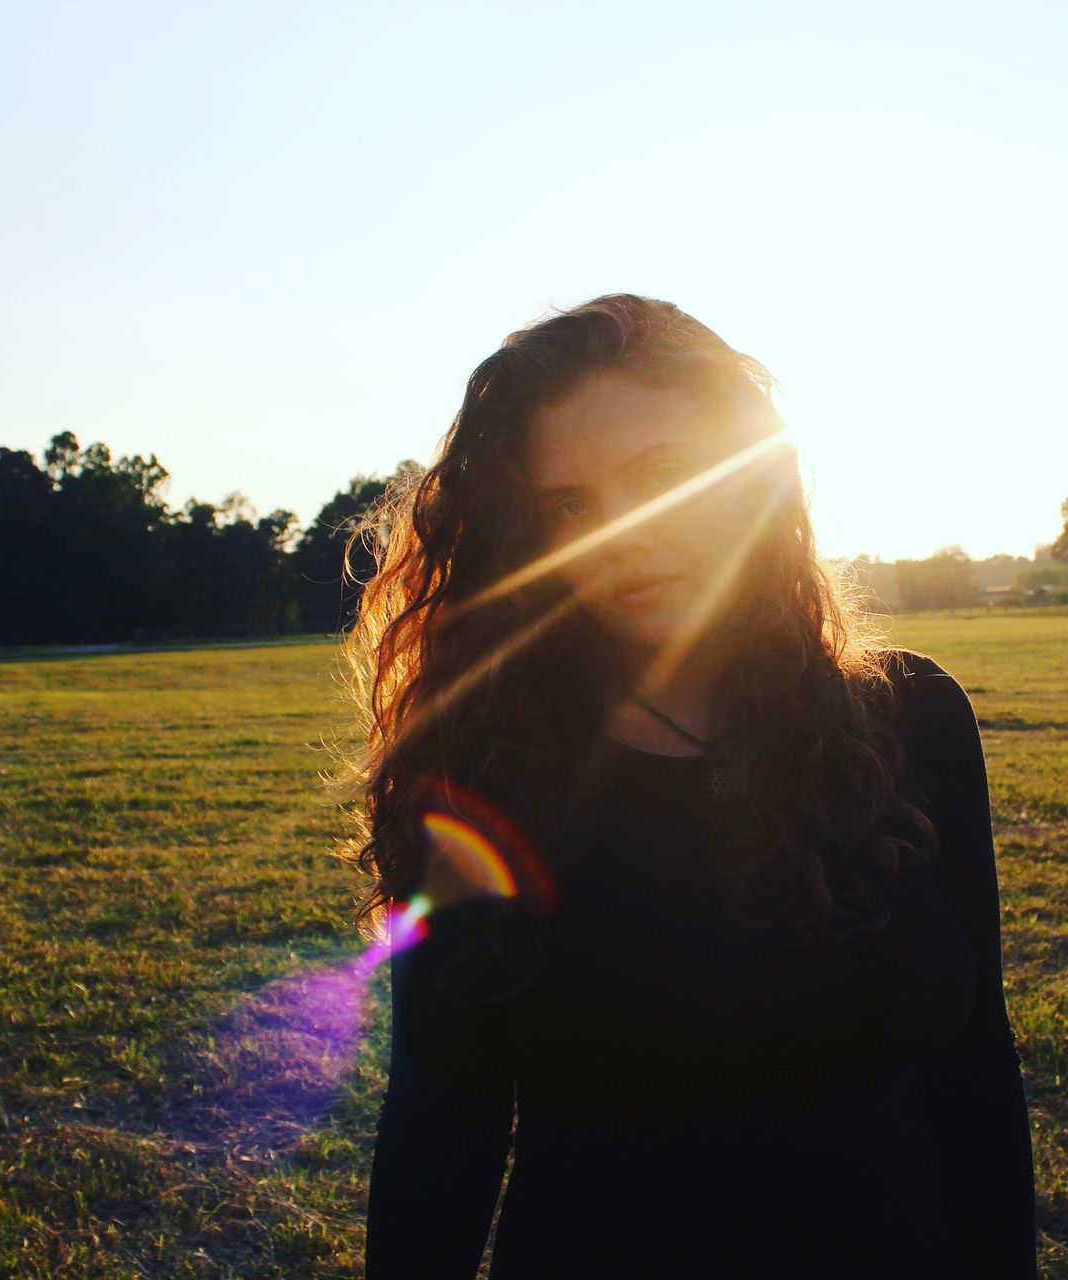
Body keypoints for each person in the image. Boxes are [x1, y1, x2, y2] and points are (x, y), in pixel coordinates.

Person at [338, 295, 1037, 1279]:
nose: (616, 534)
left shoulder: (909, 717)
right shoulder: (477, 767)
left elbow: (971, 1061)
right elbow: (439, 1115)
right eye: (566, 506)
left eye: (659, 477)